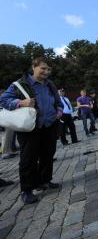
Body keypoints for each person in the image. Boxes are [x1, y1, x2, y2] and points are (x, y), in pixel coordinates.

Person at [0, 57, 63, 204]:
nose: (46, 72)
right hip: (30, 127)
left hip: (49, 124)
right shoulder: (20, 84)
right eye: (43, 68)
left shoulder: (49, 84)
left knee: (48, 154)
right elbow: (3, 100)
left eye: (49, 69)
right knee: (29, 158)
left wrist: (58, 111)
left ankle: (44, 181)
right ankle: (26, 190)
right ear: (34, 67)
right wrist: (20, 102)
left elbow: (57, 101)